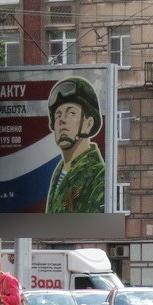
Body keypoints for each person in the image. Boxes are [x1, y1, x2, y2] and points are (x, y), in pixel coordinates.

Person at [44, 76, 106, 214]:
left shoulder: (98, 175)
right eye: (58, 115)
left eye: (71, 113)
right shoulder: (59, 172)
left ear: (88, 124)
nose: (62, 121)